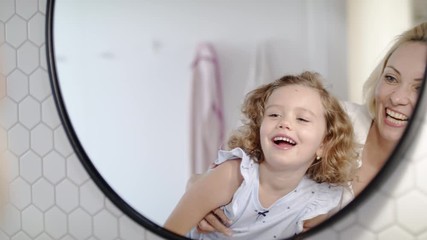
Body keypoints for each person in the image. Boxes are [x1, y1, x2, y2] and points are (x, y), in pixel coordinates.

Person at [194, 22, 427, 234]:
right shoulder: (337, 122)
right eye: (391, 78)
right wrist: (199, 192)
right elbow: (244, 155)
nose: (398, 98)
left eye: (419, 88)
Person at [164, 71, 358, 239]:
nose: (285, 123)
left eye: (302, 118)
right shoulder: (234, 176)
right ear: (259, 128)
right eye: (274, 114)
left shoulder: (318, 203)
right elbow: (167, 233)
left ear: (324, 145)